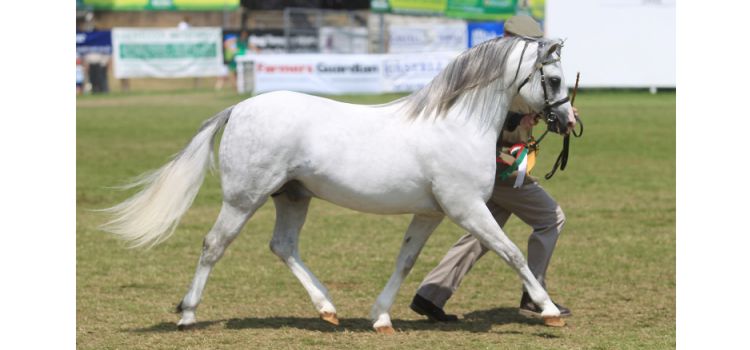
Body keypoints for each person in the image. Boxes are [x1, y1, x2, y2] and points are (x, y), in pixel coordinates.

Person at [409, 14, 573, 323]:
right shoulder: (502, 73)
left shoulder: (497, 68)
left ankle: (431, 294)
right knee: (551, 218)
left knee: (484, 231)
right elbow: (486, 121)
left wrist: (557, 112)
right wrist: (520, 120)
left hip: (487, 165)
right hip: (496, 168)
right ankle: (533, 294)